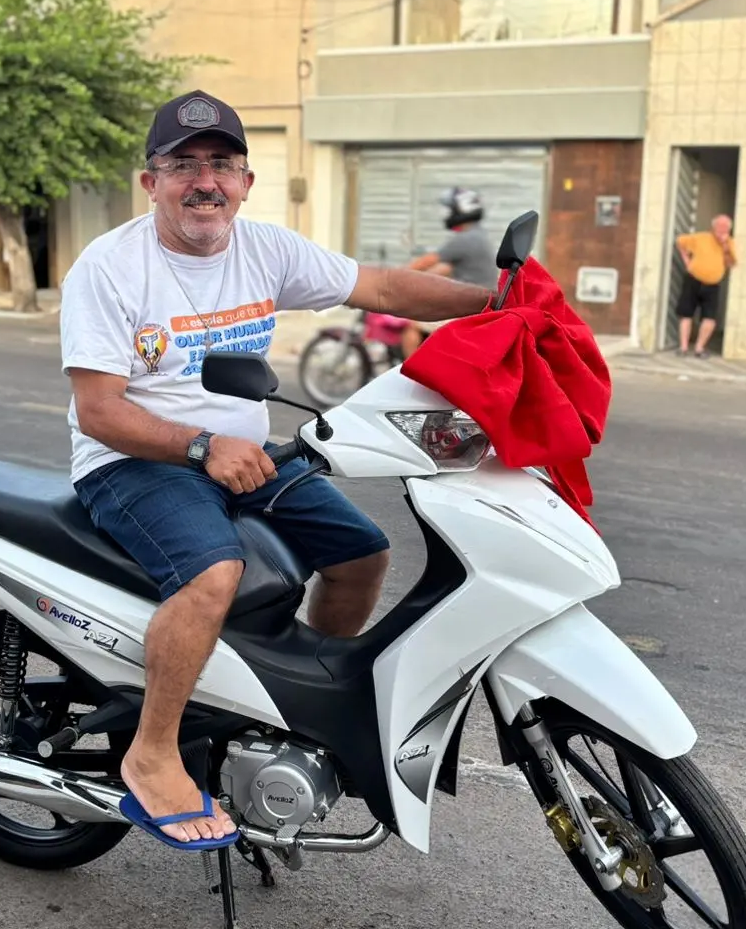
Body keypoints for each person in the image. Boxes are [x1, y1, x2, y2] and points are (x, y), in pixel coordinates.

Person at [60, 91, 493, 848]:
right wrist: (199, 445)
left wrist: (497, 305)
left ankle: (295, 702)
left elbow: (386, 288)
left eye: (221, 165)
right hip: (134, 461)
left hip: (245, 457)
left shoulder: (265, 248)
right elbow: (99, 410)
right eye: (183, 165)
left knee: (363, 554)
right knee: (213, 576)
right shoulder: (109, 268)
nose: (205, 182)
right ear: (149, 182)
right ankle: (152, 752)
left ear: (246, 182)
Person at [399, 187, 499, 361]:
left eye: (449, 209)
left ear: (461, 210)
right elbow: (445, 268)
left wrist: (397, 275)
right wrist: (424, 280)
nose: (446, 214)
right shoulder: (478, 236)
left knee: (411, 327)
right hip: (481, 302)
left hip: (469, 307)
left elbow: (427, 261)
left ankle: (411, 373)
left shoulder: (465, 239)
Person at [675, 214, 738, 357]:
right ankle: (683, 347)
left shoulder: (730, 243)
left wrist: (725, 247)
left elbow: (731, 264)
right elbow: (680, 241)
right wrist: (687, 261)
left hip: (713, 283)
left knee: (709, 318)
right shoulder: (701, 238)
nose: (722, 231)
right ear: (713, 228)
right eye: (719, 228)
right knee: (686, 313)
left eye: (725, 229)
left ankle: (699, 348)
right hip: (693, 279)